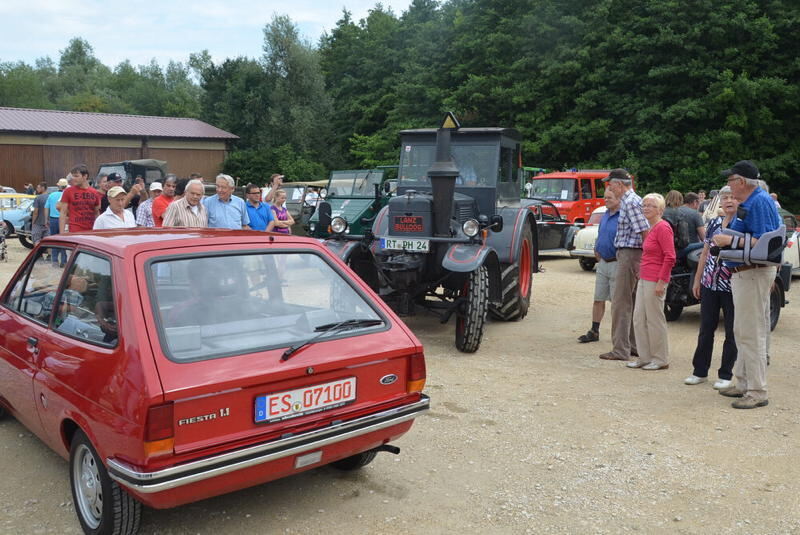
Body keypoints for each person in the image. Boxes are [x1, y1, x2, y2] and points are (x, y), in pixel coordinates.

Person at [714, 160, 781, 409]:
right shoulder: (753, 201)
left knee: (751, 333)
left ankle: (757, 390)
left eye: (730, 180)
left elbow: (764, 242)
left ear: (741, 182)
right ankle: (743, 382)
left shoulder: (759, 201)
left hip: (752, 272)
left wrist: (728, 240)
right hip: (745, 272)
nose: (728, 184)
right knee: (743, 331)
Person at [684, 186, 738, 389]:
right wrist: (697, 280)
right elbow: (704, 254)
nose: (729, 200)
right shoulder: (714, 222)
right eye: (725, 197)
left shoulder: (742, 224)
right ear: (720, 201)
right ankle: (700, 371)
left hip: (732, 285)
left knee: (732, 331)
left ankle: (726, 374)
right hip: (710, 283)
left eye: (733, 197)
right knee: (706, 328)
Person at [599, 169, 649, 361]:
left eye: (610, 184)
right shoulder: (634, 201)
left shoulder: (629, 202)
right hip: (632, 254)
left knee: (621, 302)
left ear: (619, 185)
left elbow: (644, 231)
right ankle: (633, 345)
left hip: (630, 254)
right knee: (632, 301)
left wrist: (645, 256)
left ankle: (620, 349)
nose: (609, 188)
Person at [626, 193, 675, 370]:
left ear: (660, 210)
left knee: (655, 319)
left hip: (655, 279)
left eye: (651, 206)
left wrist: (662, 281)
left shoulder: (663, 228)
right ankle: (644, 356)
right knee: (639, 318)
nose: (646, 208)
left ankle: (660, 358)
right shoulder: (651, 227)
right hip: (645, 278)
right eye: (644, 205)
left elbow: (670, 256)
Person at [578, 189, 620, 343]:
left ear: (618, 198)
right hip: (603, 263)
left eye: (609, 197)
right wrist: (596, 247)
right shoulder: (606, 215)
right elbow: (601, 234)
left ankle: (619, 336)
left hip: (617, 263)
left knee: (617, 303)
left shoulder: (623, 216)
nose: (605, 200)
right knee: (598, 298)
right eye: (605, 197)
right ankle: (594, 330)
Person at [58, 164, 101, 233]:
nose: (73, 178)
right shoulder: (68, 191)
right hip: (75, 230)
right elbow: (63, 213)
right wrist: (62, 233)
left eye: (76, 176)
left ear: (85, 176)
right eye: (73, 176)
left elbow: (96, 213)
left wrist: (98, 230)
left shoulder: (94, 192)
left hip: (92, 230)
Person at [46, 178, 69, 266]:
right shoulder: (67, 194)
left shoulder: (51, 195)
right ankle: (64, 261)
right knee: (64, 240)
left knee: (54, 240)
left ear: (58, 186)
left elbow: (46, 207)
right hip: (65, 220)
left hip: (53, 220)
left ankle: (55, 261)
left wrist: (46, 220)